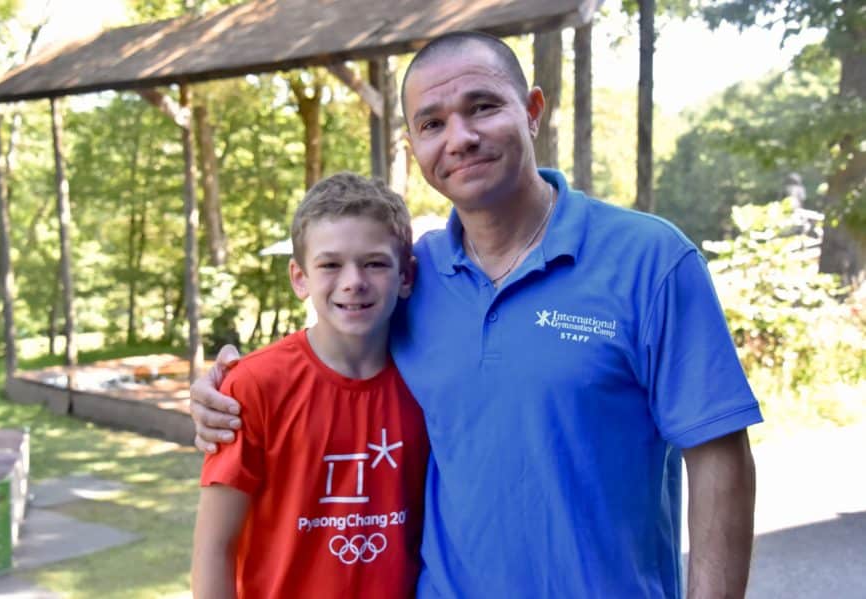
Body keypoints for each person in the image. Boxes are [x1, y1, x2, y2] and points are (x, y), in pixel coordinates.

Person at [191, 31, 761, 598]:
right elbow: (331, 345)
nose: (459, 138)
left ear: (533, 111)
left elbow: (719, 459)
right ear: (414, 145)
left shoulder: (650, 260)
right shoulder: (419, 276)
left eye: (482, 107)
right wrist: (227, 387)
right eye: (432, 123)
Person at [191, 173, 429, 598]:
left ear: (406, 275)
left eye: (374, 263)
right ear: (300, 278)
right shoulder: (254, 386)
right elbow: (214, 545)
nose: (353, 280)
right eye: (330, 264)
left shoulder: (431, 381)